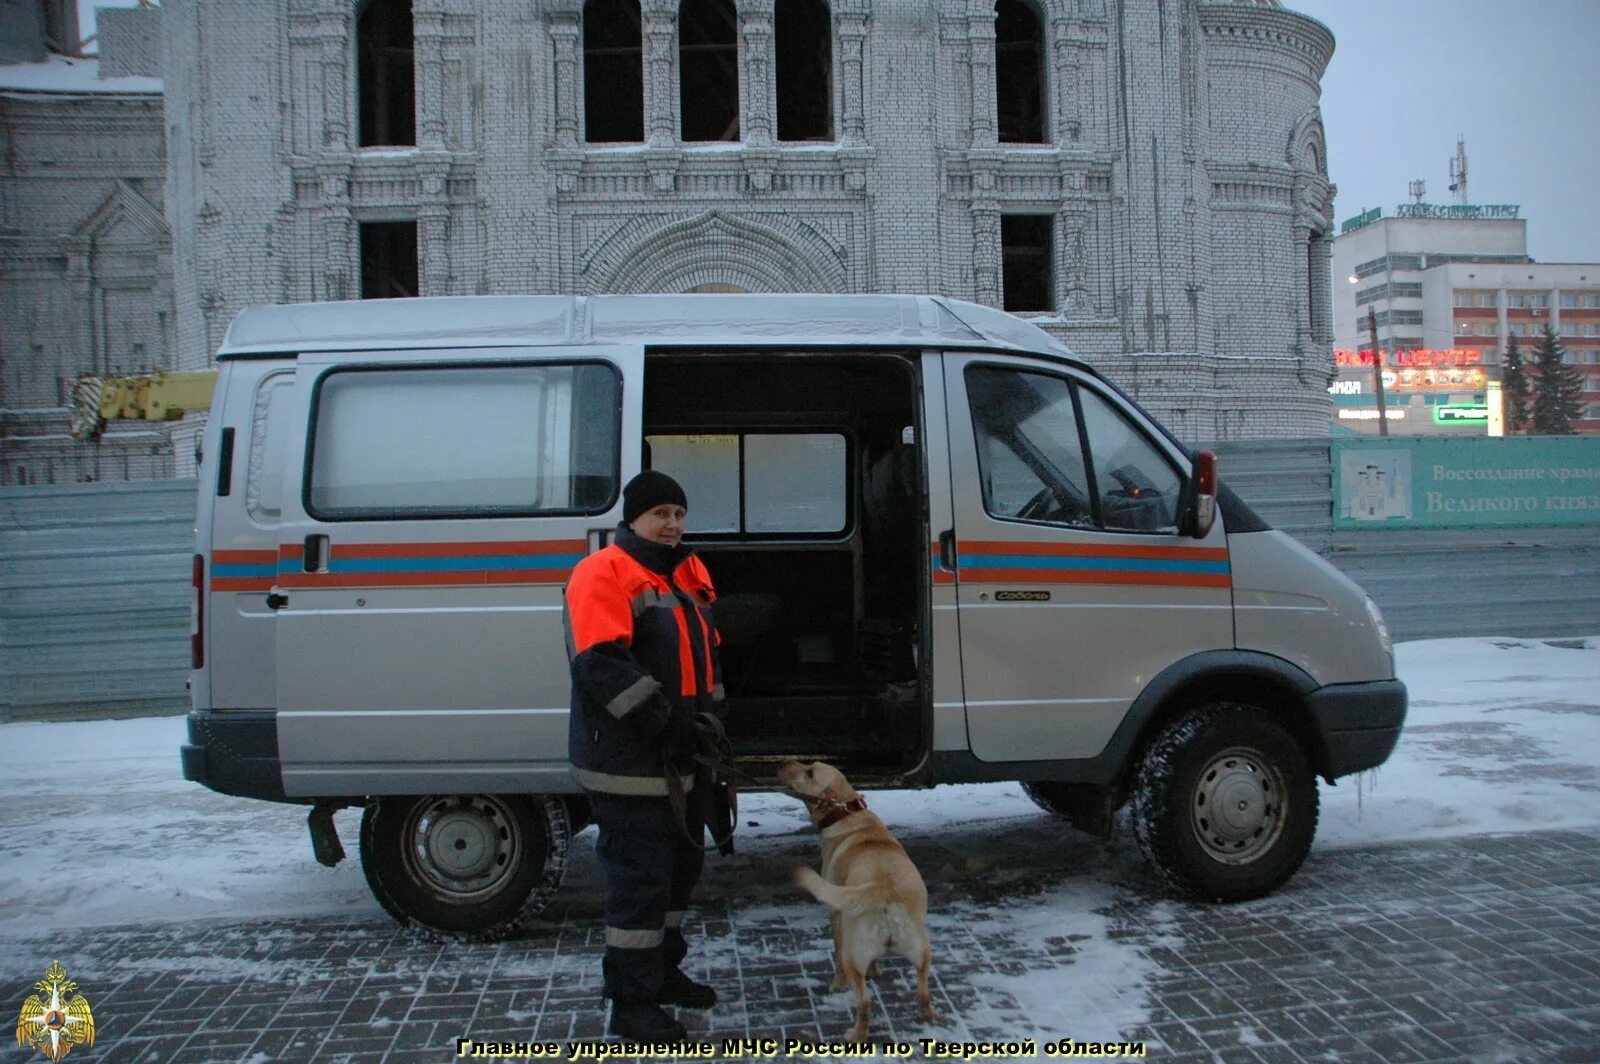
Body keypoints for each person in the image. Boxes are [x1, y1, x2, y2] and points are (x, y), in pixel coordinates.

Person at [565, 470, 723, 1042]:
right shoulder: (601, 572)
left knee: (680, 871)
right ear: (632, 518)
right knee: (640, 882)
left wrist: (710, 725)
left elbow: (706, 655)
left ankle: (660, 973)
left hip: (681, 758)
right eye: (661, 514)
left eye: (679, 514)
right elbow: (602, 665)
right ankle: (630, 1003)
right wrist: (667, 725)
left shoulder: (687, 570)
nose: (673, 524)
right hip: (629, 764)